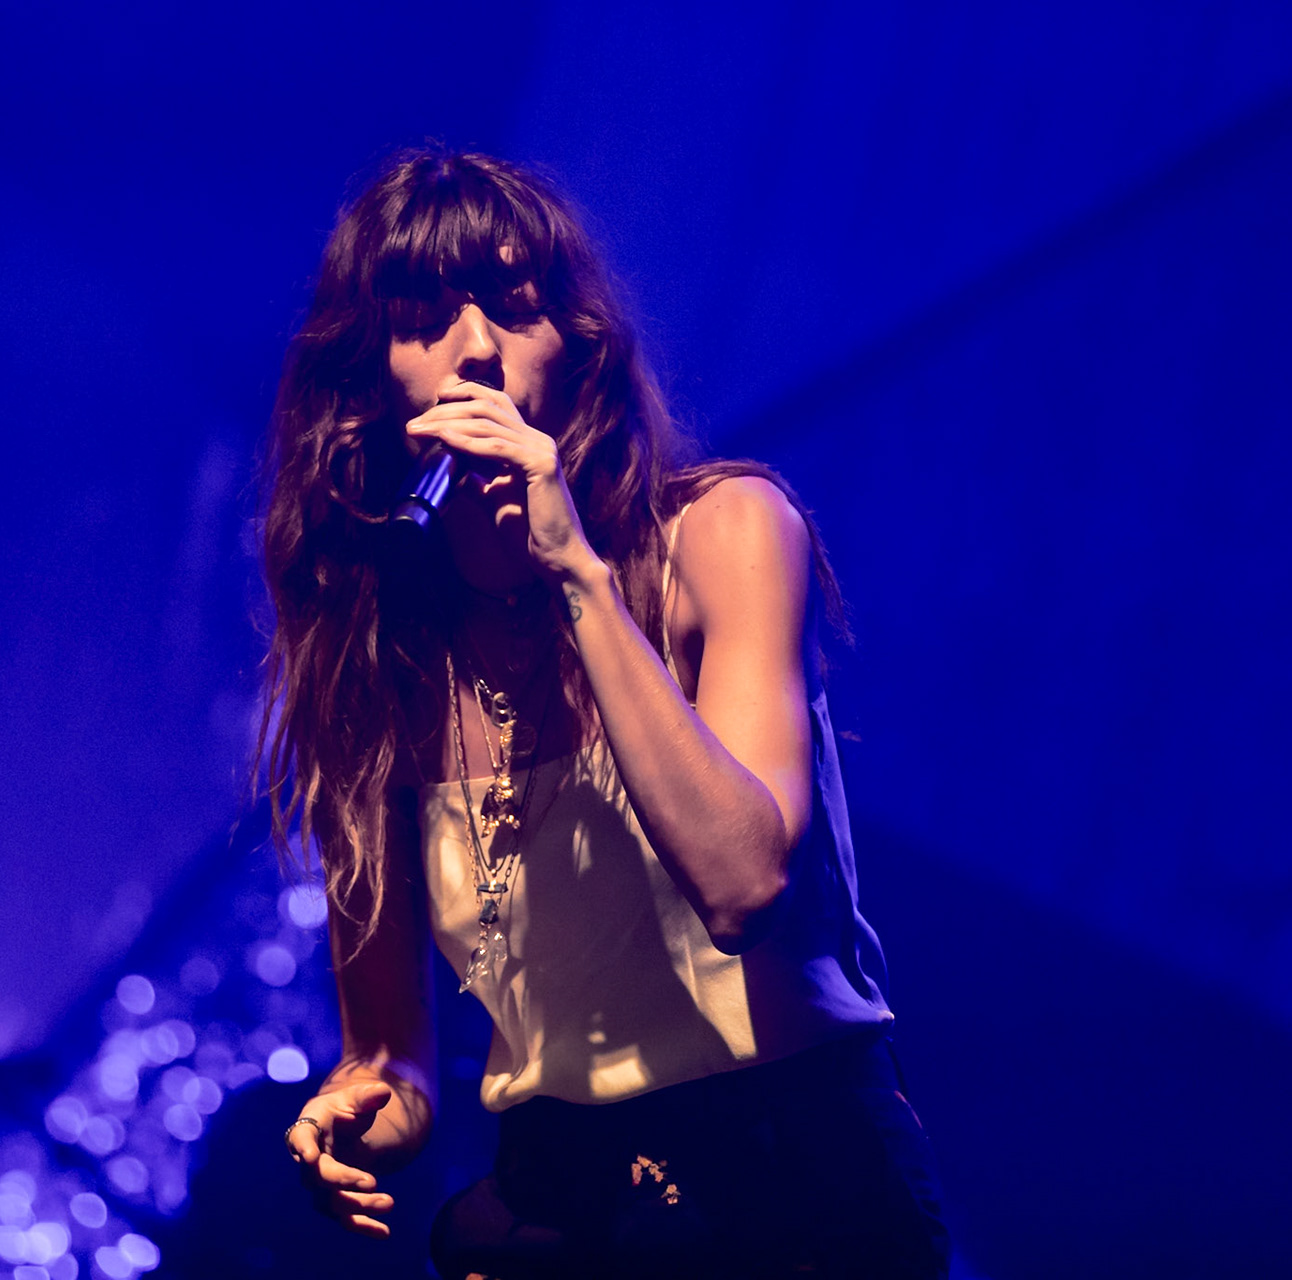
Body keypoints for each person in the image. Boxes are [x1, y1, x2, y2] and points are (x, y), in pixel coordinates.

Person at [256, 150, 949, 1278]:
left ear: (575, 342)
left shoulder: (723, 538)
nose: (475, 348)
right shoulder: (372, 666)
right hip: (563, 1197)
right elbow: (394, 1058)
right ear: (367, 373)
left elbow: (741, 884)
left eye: (514, 307)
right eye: (424, 316)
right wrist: (351, 1111)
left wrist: (573, 569)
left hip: (797, 1183)